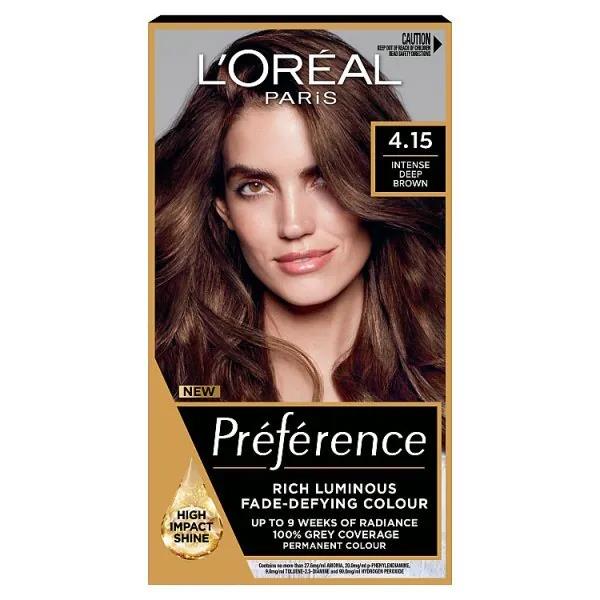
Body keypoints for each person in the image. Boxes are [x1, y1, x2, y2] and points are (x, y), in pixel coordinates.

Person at [155, 29, 445, 404]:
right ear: (223, 208)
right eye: (254, 187)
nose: (293, 225)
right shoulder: (165, 382)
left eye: (323, 180)